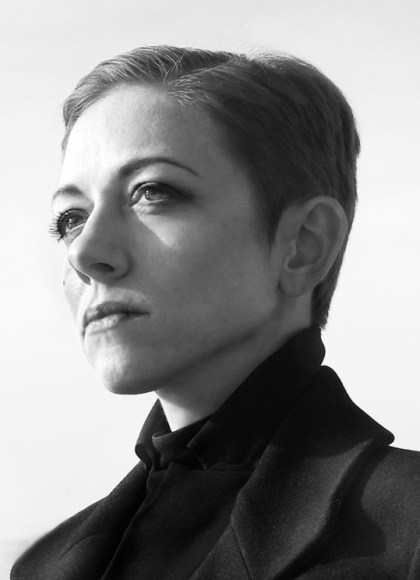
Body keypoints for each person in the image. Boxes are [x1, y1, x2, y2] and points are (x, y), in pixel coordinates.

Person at [11, 46, 420, 580]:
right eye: (70, 218)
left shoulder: (409, 531)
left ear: (304, 243)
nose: (85, 252)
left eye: (152, 191)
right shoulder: (41, 566)